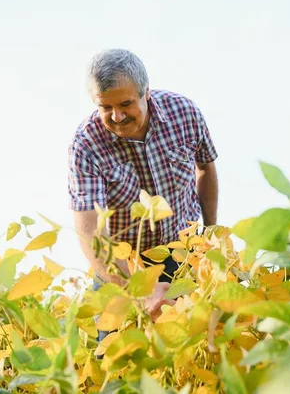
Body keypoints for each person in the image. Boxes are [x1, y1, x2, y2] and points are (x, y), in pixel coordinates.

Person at [67, 48, 219, 327]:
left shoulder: (184, 113)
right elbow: (91, 233)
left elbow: (206, 168)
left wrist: (208, 235)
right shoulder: (85, 145)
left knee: (198, 338)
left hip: (183, 249)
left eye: (125, 104)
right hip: (123, 263)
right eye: (105, 108)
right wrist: (138, 288)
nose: (116, 117)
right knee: (116, 350)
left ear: (146, 92)